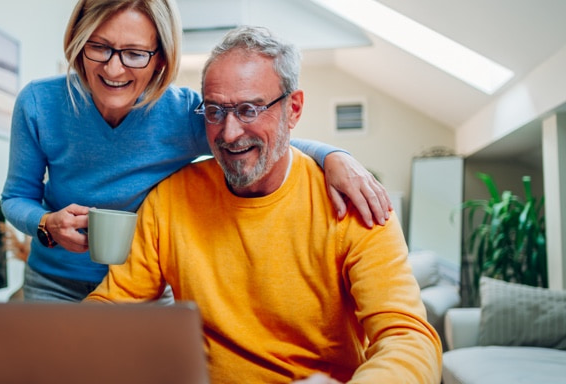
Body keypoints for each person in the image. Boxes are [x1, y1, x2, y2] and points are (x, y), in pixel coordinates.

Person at [85, 26, 441, 384]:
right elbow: (114, 305)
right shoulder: (169, 200)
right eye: (215, 110)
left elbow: (408, 338)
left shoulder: (354, 205)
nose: (229, 133)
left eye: (249, 110)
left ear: (293, 109)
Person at [0, 0, 392, 303]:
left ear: (161, 60)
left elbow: (259, 138)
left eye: (135, 53)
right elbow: (16, 196)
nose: (114, 70)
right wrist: (46, 224)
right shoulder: (39, 103)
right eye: (99, 48)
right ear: (78, 42)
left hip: (146, 287)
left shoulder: (183, 114)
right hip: (53, 282)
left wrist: (335, 156)